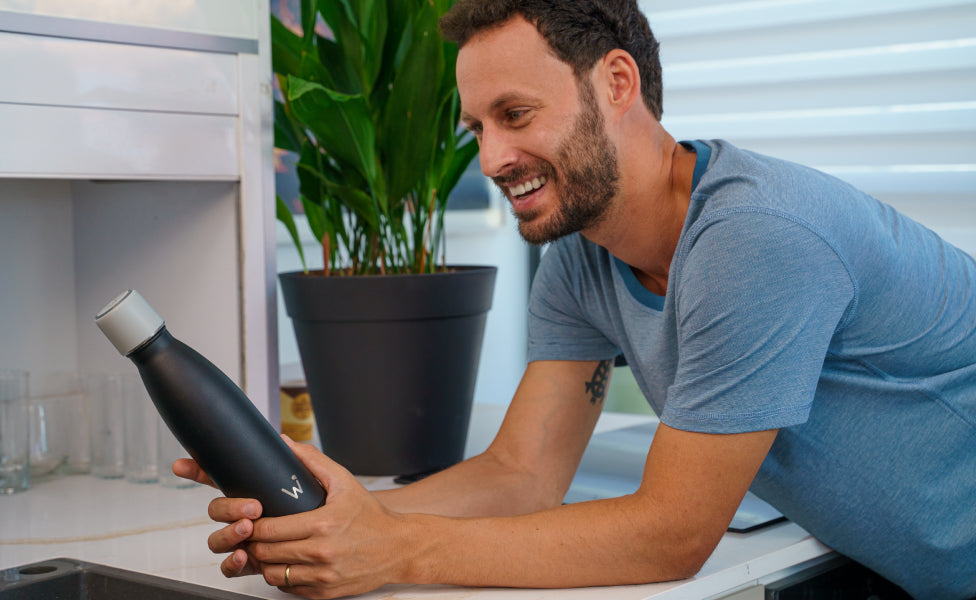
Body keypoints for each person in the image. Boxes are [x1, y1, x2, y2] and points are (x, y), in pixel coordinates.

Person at [175, 1, 976, 598]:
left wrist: (397, 549)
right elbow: (522, 473)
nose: (490, 157)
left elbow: (672, 534)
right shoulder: (583, 257)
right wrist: (332, 517)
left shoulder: (756, 237)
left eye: (515, 115)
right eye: (477, 128)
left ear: (617, 82)